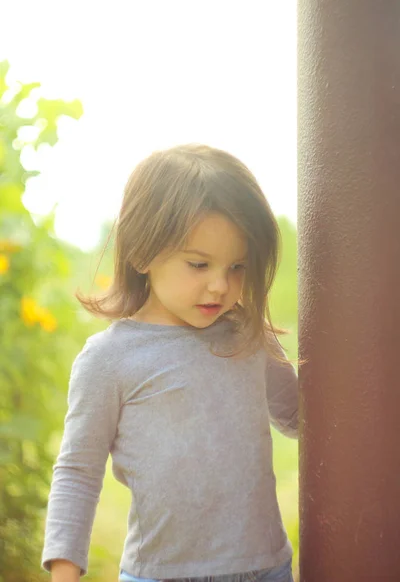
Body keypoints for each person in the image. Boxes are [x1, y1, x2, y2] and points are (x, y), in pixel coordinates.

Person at [41, 144, 298, 582]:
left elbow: (300, 416)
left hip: (265, 568)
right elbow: (78, 473)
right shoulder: (109, 360)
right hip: (159, 574)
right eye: (199, 264)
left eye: (237, 266)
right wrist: (64, 573)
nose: (220, 285)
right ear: (142, 254)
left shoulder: (249, 339)